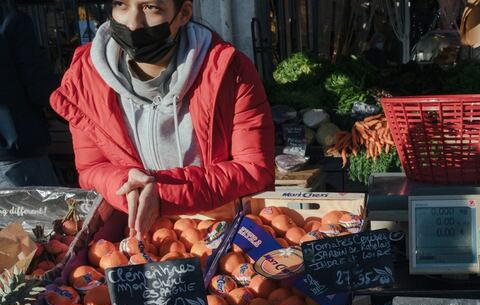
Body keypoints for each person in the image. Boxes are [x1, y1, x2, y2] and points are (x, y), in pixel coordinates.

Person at [51, 0, 275, 238]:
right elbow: (92, 168)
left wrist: (162, 191)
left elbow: (253, 168)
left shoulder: (228, 71)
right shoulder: (84, 79)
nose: (133, 23)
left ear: (184, 13)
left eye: (151, 8)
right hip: (137, 237)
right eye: (121, 5)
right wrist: (126, 185)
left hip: (221, 233)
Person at [0, 5, 60, 187]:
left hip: (12, 151)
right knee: (46, 214)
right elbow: (40, 87)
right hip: (18, 153)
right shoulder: (11, 21)